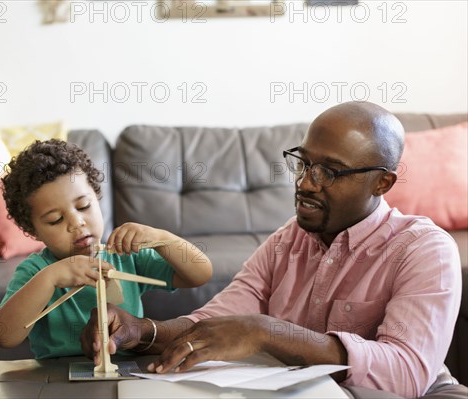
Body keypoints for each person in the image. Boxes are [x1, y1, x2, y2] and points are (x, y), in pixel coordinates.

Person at [80, 102, 462, 398]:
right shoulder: (288, 239)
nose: (306, 183)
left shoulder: (425, 250)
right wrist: (141, 330)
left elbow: (407, 374)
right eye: (304, 162)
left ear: (382, 183)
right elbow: (217, 321)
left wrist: (268, 333)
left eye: (330, 171)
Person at [0, 139, 212, 359]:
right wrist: (50, 278)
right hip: (58, 377)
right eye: (56, 219)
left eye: (83, 206)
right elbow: (4, 337)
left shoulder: (125, 255)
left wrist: (161, 238)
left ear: (97, 197)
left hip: (126, 371)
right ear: (34, 230)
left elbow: (200, 274)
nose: (77, 222)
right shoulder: (36, 270)